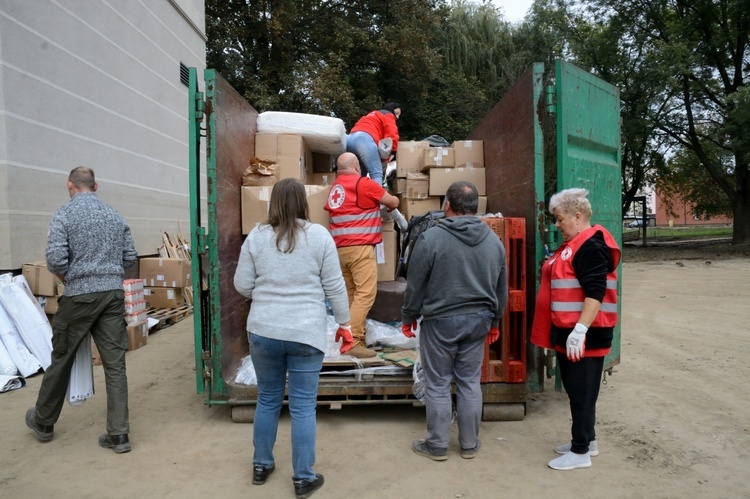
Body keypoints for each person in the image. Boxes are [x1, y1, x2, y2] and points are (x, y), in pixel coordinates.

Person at [234, 178, 351, 499]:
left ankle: (261, 465)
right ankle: (303, 478)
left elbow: (242, 284)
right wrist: (345, 324)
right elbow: (335, 286)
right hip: (305, 334)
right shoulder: (319, 237)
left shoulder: (256, 237)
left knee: (268, 399)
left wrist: (269, 295)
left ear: (273, 203)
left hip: (263, 331)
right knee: (302, 406)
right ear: (303, 202)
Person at [25, 166, 137, 454]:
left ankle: (44, 421)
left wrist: (73, 276)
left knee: (61, 358)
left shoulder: (64, 215)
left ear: (69, 186)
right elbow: (129, 257)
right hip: (112, 295)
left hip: (79, 296)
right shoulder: (115, 215)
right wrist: (108, 274)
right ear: (96, 186)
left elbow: (55, 259)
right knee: (115, 364)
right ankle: (119, 434)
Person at [401, 181, 508, 461]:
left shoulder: (431, 238)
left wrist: (408, 316)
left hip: (441, 322)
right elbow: (501, 288)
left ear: (446, 205)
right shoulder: (494, 241)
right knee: (469, 382)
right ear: (475, 208)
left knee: (438, 383)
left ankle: (437, 445)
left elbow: (415, 284)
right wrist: (495, 322)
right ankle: (469, 444)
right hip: (480, 322)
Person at [530, 188, 621, 471]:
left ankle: (580, 451)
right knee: (578, 390)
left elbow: (596, 292)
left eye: (559, 219)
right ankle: (587, 440)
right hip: (569, 333)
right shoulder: (577, 242)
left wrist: (580, 330)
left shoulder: (591, 246)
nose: (556, 225)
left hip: (585, 336)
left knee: (582, 393)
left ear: (577, 216)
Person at [325, 152, 400, 358]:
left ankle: (354, 339)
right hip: (360, 248)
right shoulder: (363, 184)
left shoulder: (335, 188)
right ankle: (352, 340)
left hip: (339, 250)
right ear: (357, 166)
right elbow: (392, 202)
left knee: (351, 295)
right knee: (365, 294)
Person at [345, 102, 401, 186]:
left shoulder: (372, 115)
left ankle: (353, 196)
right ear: (391, 110)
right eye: (396, 113)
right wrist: (393, 151)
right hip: (364, 140)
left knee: (358, 175)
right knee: (376, 173)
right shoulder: (388, 114)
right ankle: (376, 198)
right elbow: (392, 135)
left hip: (350, 138)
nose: (397, 117)